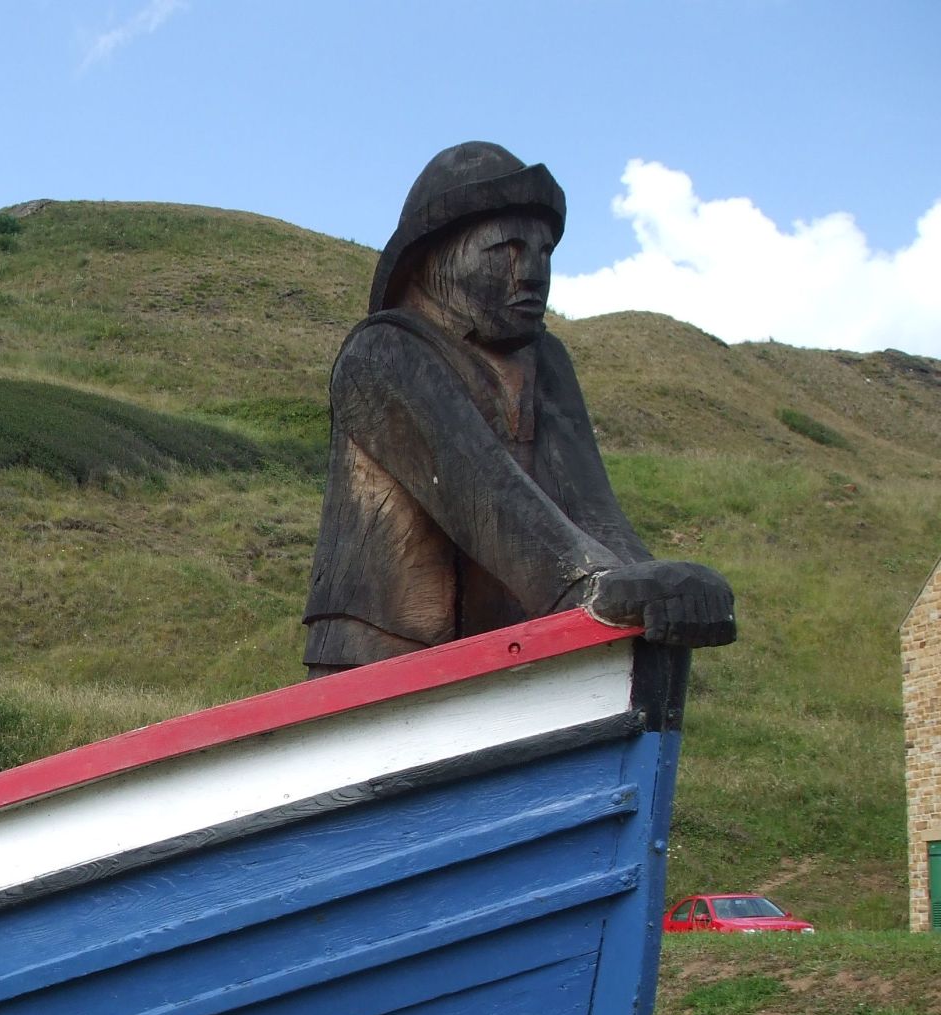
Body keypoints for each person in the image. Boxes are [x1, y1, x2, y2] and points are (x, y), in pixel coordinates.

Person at [303, 142, 736, 677]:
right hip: (379, 661)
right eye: (505, 248)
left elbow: (592, 507)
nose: (532, 272)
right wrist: (589, 587)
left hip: (507, 655)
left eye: (546, 251)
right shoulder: (383, 352)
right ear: (436, 254)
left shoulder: (546, 360)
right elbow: (479, 490)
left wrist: (660, 582)